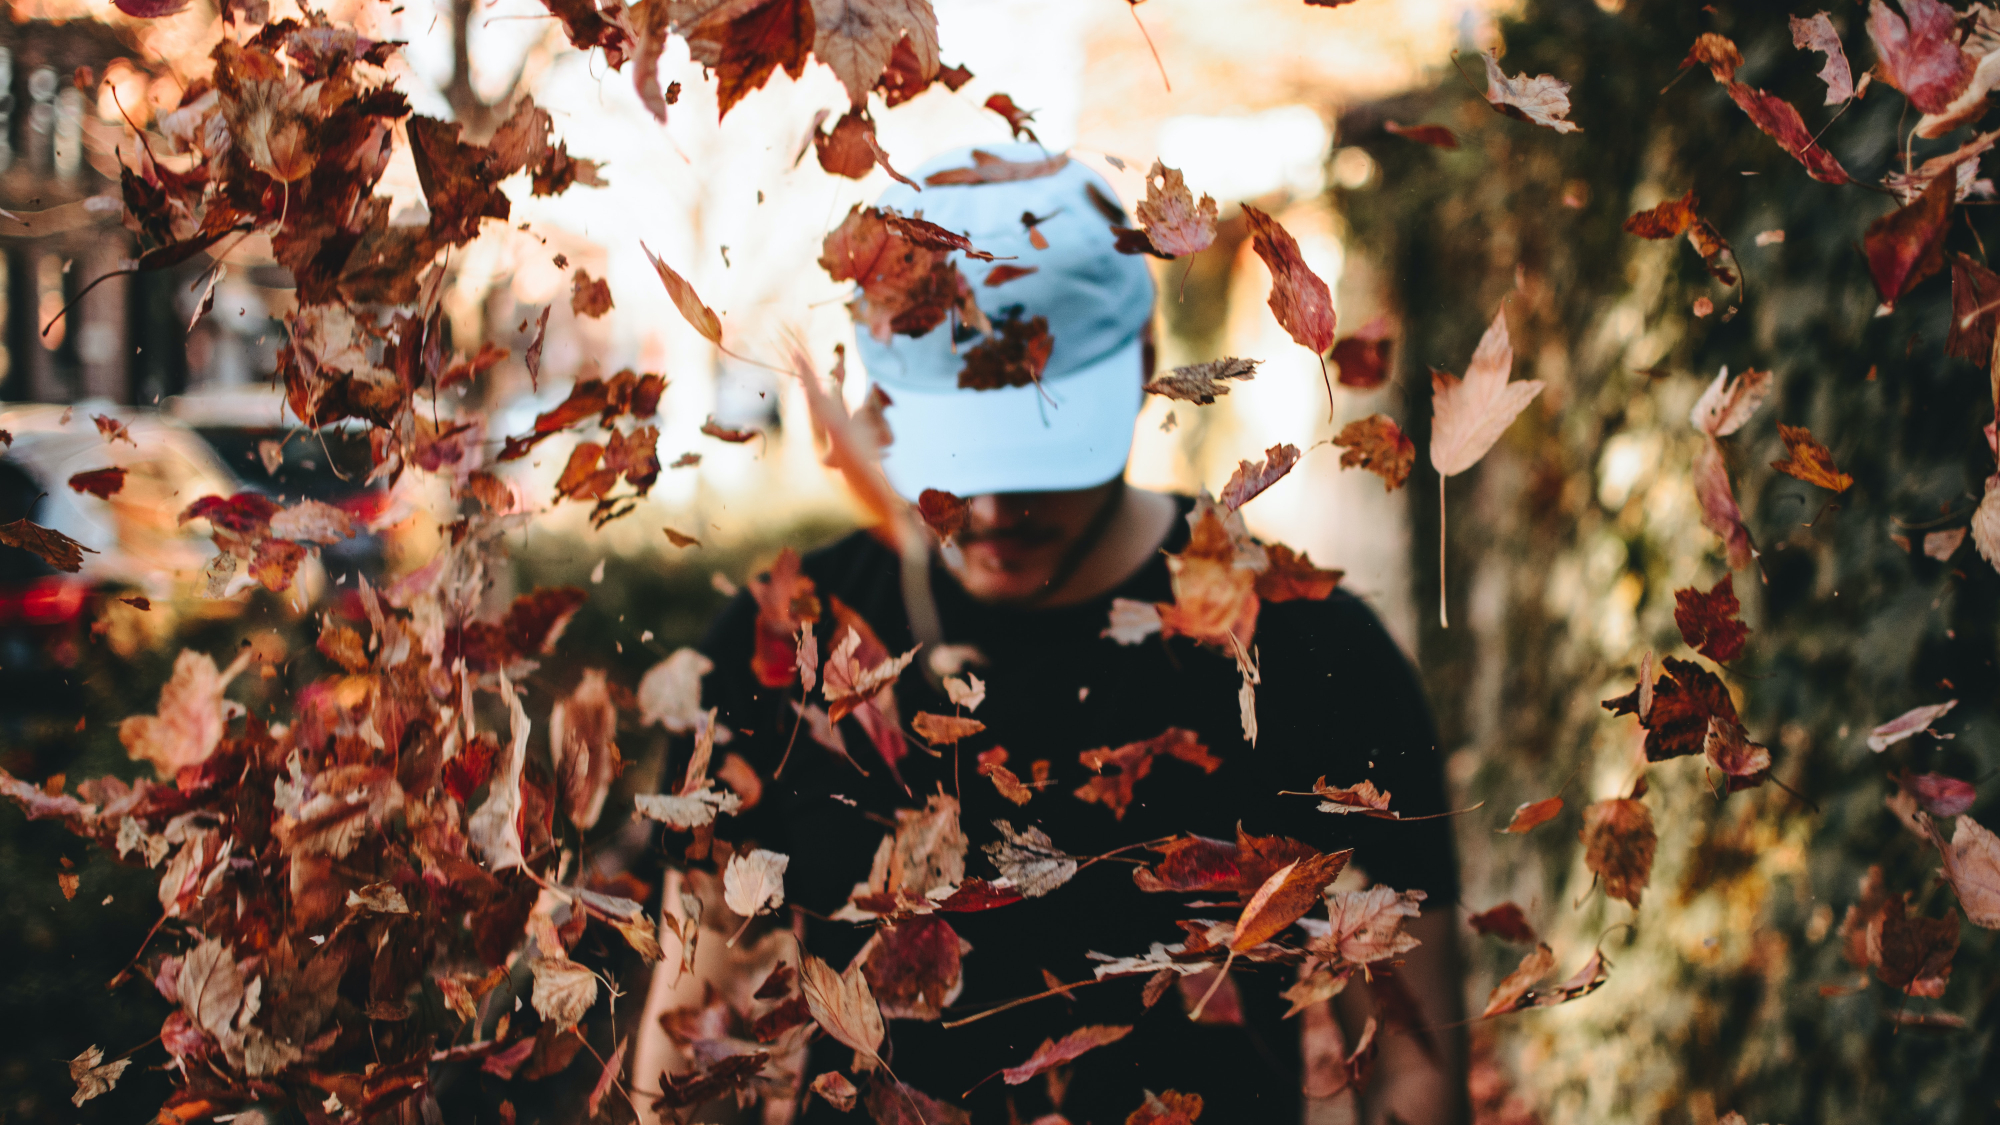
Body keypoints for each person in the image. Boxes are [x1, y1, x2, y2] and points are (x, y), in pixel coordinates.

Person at [655, 143, 1466, 1125]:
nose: (991, 505)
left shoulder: (1308, 650)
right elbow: (684, 1039)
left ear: (1137, 367)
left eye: (1036, 447)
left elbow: (1416, 1065)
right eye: (954, 448)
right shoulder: (776, 648)